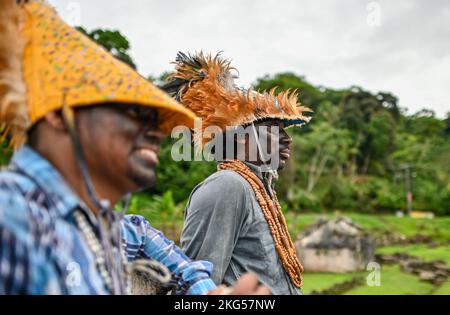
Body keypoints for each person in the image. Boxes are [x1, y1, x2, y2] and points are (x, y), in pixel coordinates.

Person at [0, 0, 268, 295]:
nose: (157, 132)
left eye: (156, 120)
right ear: (61, 115)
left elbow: (173, 259)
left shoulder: (105, 228)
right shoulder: (12, 216)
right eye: (134, 114)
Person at [162, 52, 312, 295]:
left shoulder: (258, 189)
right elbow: (196, 290)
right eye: (274, 129)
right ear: (241, 138)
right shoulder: (228, 186)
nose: (287, 138)